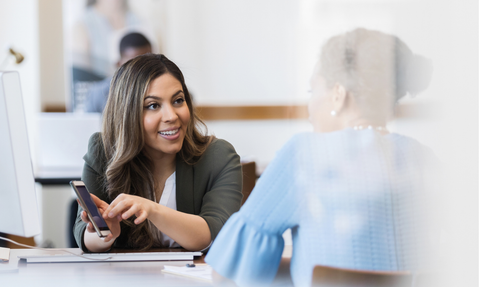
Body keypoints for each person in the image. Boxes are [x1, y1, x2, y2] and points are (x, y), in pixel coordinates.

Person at [205, 28, 437, 287]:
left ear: (338, 94)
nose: (310, 107)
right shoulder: (424, 159)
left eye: (312, 90)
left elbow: (228, 272)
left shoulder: (305, 153)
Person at [73, 53, 243, 252]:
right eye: (153, 106)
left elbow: (216, 234)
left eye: (178, 101)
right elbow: (82, 233)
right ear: (127, 113)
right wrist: (105, 234)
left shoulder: (218, 156)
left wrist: (152, 209)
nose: (171, 116)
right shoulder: (103, 151)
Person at [85, 32, 152, 113]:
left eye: (148, 62)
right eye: (134, 64)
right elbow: (90, 124)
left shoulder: (160, 88)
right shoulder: (98, 94)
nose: (142, 69)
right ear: (119, 64)